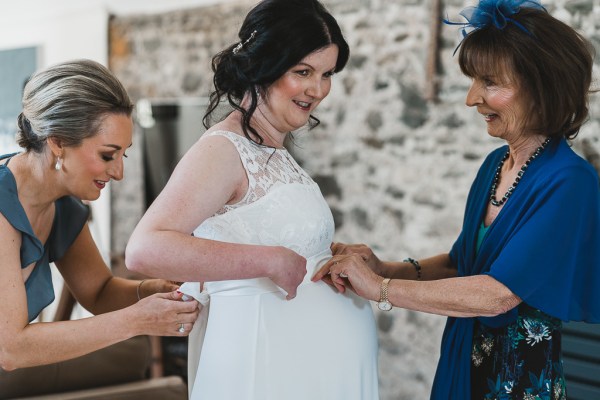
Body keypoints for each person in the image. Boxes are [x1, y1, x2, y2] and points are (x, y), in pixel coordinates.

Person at [313, 1, 600, 399]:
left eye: (490, 82)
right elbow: (458, 264)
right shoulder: (494, 165)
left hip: (518, 385)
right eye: (472, 81)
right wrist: (385, 266)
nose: (471, 99)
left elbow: (496, 294)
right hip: (461, 366)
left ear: (541, 85)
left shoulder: (571, 182)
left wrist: (379, 287)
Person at [125, 0, 380, 398]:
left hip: (307, 364)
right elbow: (145, 249)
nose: (318, 90)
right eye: (303, 72)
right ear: (263, 66)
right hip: (263, 362)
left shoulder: (274, 150)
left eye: (327, 74)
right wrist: (267, 260)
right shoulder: (224, 149)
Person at [0, 59, 200, 398]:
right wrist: (138, 320)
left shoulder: (63, 206)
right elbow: (12, 348)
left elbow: (100, 292)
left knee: (159, 385)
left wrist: (154, 291)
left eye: (124, 155)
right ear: (58, 143)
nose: (119, 173)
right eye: (108, 156)